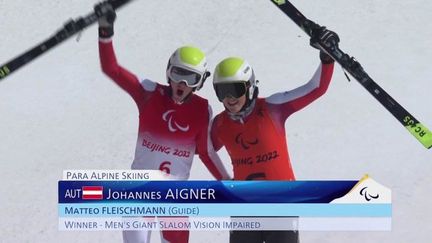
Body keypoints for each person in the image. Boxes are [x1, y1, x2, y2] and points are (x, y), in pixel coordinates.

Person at [94, 3, 230, 243]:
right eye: (177, 73)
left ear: (200, 82)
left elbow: (206, 152)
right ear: (168, 71)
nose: (181, 83)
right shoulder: (148, 93)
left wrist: (231, 186)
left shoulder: (202, 110)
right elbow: (111, 69)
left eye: (191, 78)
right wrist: (106, 31)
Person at [210, 26, 340, 243]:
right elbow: (199, 148)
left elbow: (316, 88)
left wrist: (327, 57)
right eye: (223, 91)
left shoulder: (273, 108)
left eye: (236, 89)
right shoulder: (219, 125)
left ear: (250, 87)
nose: (230, 98)